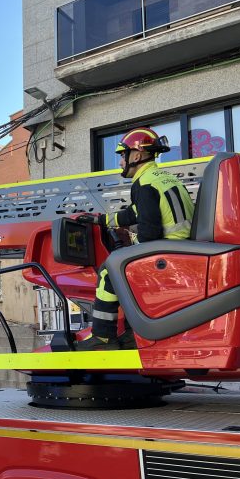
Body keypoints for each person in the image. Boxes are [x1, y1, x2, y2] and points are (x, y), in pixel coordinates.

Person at [77, 127, 195, 351]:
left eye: (123, 155)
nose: (121, 162)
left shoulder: (143, 184)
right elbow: (134, 214)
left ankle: (102, 339)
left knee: (110, 270)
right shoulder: (163, 178)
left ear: (137, 155)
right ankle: (132, 335)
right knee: (123, 266)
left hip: (167, 250)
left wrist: (130, 253)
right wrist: (100, 220)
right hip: (182, 248)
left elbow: (149, 231)